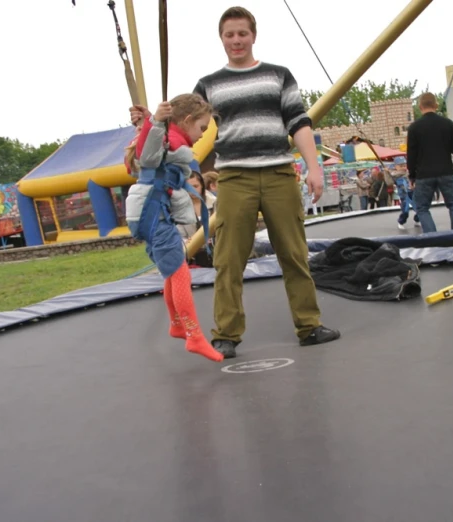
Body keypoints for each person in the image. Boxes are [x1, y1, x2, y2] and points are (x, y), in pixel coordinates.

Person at [131, 6, 340, 359]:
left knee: (294, 253)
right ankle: (226, 334)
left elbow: (299, 122)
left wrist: (313, 166)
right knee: (229, 258)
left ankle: (309, 325)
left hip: (277, 174)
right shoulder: (209, 84)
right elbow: (181, 123)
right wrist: (149, 122)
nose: (236, 40)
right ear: (222, 39)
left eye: (242, 33)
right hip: (234, 177)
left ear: (253, 35)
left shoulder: (279, 75)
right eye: (230, 34)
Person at [126, 94, 224, 363]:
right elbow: (147, 156)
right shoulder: (168, 138)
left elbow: (150, 146)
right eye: (202, 128)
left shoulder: (166, 136)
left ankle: (177, 324)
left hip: (151, 211)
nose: (203, 135)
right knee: (181, 274)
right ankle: (194, 336)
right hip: (153, 211)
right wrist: (155, 121)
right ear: (188, 120)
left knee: (173, 267)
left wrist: (150, 121)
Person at [407, 92, 453, 233]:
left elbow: (411, 155)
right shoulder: (448, 124)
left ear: (420, 106)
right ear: (436, 105)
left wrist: (412, 176)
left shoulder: (414, 128)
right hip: (446, 172)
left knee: (422, 208)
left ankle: (433, 240)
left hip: (424, 175)